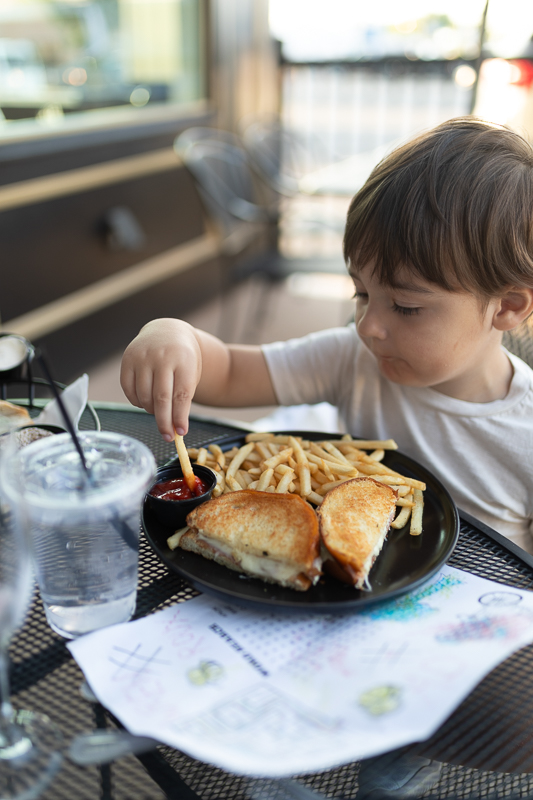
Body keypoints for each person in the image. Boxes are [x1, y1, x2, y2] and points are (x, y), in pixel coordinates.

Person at [120, 117, 533, 552]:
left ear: (507, 306)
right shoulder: (352, 359)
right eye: (361, 292)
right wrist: (174, 336)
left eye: (406, 306)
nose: (367, 326)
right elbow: (231, 372)